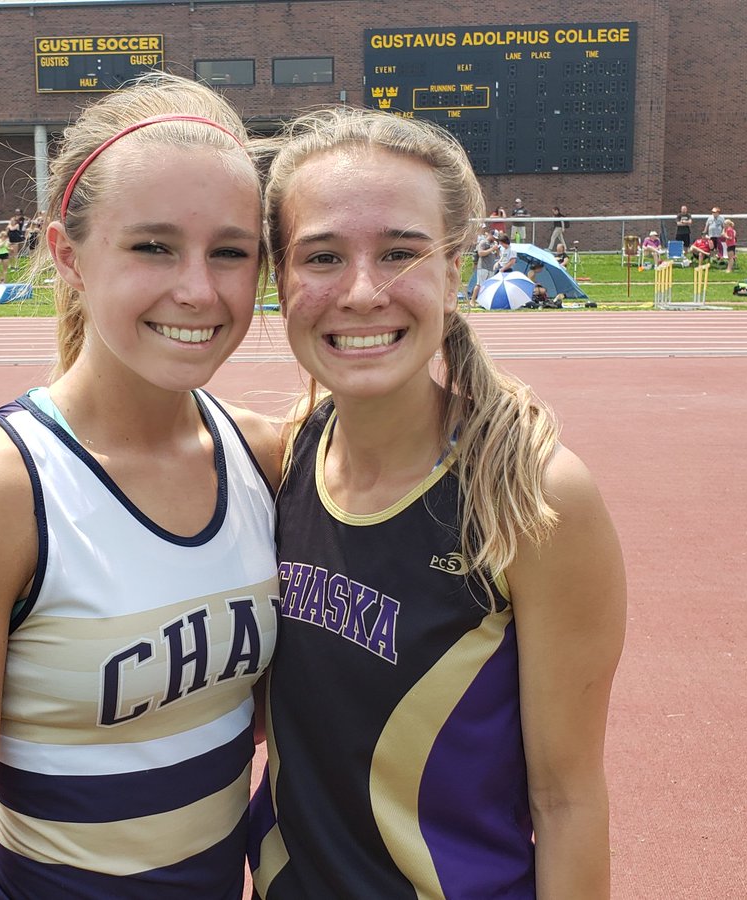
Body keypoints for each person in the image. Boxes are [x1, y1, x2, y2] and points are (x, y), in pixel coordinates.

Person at [0, 72, 281, 900]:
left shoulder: (263, 458)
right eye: (152, 246)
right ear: (67, 254)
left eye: (231, 252)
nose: (199, 290)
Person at [249, 106, 626, 899]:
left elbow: (566, 801)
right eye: (321, 256)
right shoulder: (281, 463)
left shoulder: (532, 497)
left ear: (456, 272)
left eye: (399, 253)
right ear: (280, 280)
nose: (361, 291)